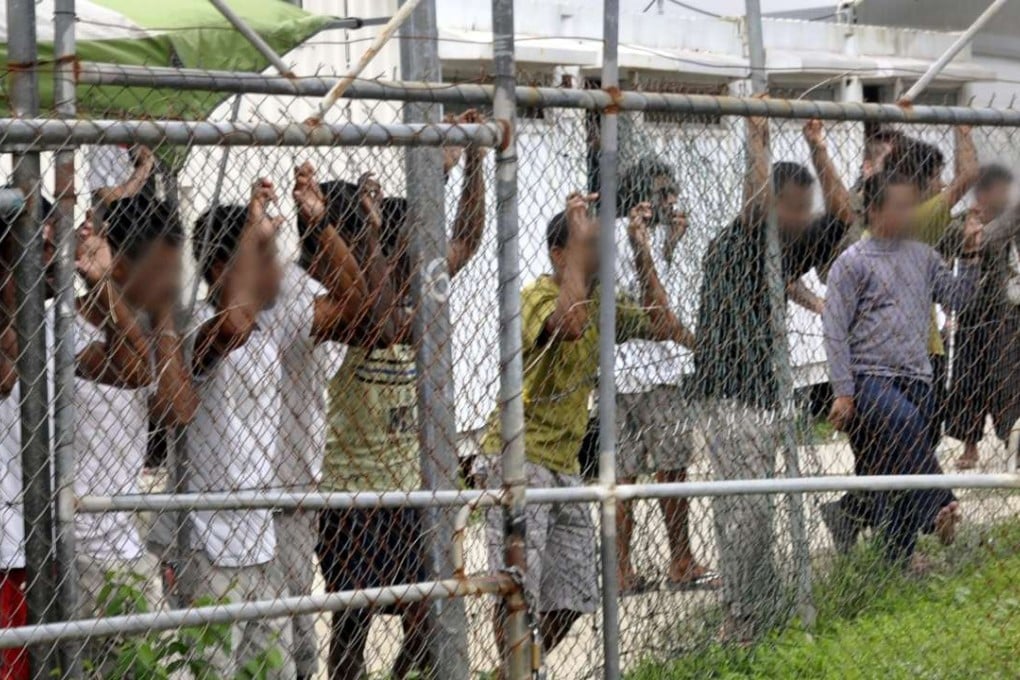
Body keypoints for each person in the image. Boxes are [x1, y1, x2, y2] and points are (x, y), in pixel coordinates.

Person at [481, 191, 690, 667]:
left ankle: (512, 672)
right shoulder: (535, 297)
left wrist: (641, 251)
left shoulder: (601, 301)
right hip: (517, 459)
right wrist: (578, 242)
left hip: (564, 463)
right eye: (588, 245)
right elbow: (569, 324)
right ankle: (518, 672)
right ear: (561, 255)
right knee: (518, 589)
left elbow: (662, 323)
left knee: (576, 594)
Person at [317, 113, 486, 680]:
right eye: (413, 241)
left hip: (410, 487)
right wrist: (431, 182)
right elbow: (383, 321)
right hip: (351, 491)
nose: (425, 253)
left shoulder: (418, 291)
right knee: (352, 621)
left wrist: (473, 159)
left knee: (424, 613)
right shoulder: (352, 304)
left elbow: (467, 239)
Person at [180, 176, 368, 679]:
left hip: (260, 543)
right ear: (222, 267)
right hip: (209, 546)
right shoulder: (195, 326)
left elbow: (355, 304)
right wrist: (253, 236)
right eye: (261, 258)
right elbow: (232, 325)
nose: (275, 270)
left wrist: (321, 226)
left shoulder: (272, 325)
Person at [691, 117, 853, 644]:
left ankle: (758, 608)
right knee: (742, 512)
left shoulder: (788, 242)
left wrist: (818, 146)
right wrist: (757, 137)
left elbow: (844, 215)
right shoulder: (744, 239)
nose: (804, 217)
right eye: (794, 207)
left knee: (758, 509)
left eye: (806, 208)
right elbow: (755, 204)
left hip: (767, 392)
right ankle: (741, 617)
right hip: (730, 394)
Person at [820, 127, 978, 553]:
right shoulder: (852, 262)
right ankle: (941, 503)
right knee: (906, 425)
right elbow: (834, 329)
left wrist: (971, 255)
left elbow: (959, 298)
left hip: (917, 376)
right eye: (899, 208)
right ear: (873, 211)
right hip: (871, 377)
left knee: (901, 460)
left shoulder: (922, 256)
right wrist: (843, 391)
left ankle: (898, 557)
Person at [70, 197, 198, 672]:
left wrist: (162, 313)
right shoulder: (60, 324)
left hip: (124, 546)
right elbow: (128, 368)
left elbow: (176, 410)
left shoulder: (151, 329)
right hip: (75, 548)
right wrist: (103, 286)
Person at [612, 158, 709, 593]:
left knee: (621, 475)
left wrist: (668, 246)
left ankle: (620, 569)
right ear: (642, 197)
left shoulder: (618, 234)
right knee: (672, 469)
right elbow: (660, 315)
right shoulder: (631, 236)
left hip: (617, 373)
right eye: (663, 192)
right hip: (653, 371)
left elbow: (643, 287)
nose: (671, 200)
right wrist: (700, 345)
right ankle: (680, 561)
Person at [0, 198, 59, 680]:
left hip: (46, 541)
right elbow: (6, 376)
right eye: (38, 246)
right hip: (7, 546)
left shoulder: (55, 322)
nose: (53, 258)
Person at [937, 165, 1015, 470]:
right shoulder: (963, 221)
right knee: (966, 382)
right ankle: (970, 445)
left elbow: (991, 241)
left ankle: (1011, 441)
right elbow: (944, 247)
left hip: (1004, 313)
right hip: (969, 312)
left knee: (1006, 381)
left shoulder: (1010, 220)